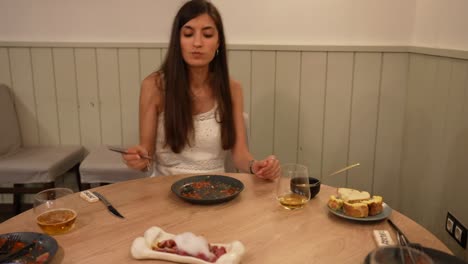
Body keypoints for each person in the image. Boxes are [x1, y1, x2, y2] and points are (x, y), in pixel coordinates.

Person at [122, 0, 279, 180]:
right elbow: (146, 156)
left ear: (218, 41)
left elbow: (240, 155)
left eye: (207, 35)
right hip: (164, 190)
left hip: (217, 189)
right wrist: (138, 158)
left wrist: (255, 166)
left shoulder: (232, 88)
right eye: (188, 34)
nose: (197, 43)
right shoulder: (154, 86)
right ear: (177, 41)